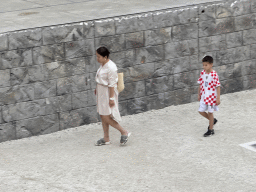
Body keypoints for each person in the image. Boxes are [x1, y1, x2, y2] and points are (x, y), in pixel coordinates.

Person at [94, 47, 131, 146]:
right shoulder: (103, 64)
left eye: (99, 57)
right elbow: (101, 79)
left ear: (105, 57)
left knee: (106, 116)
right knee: (103, 115)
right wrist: (97, 88)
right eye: (96, 56)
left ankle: (124, 132)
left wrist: (111, 98)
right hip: (101, 91)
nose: (97, 59)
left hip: (107, 93)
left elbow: (112, 84)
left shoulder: (111, 67)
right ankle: (106, 138)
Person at [197, 56, 221, 137]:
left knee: (210, 112)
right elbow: (200, 84)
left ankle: (210, 129)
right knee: (200, 111)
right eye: (203, 65)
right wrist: (199, 94)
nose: (204, 67)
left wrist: (218, 98)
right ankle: (213, 120)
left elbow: (218, 86)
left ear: (211, 64)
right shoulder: (202, 73)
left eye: (206, 65)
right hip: (204, 96)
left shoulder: (214, 74)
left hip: (211, 97)